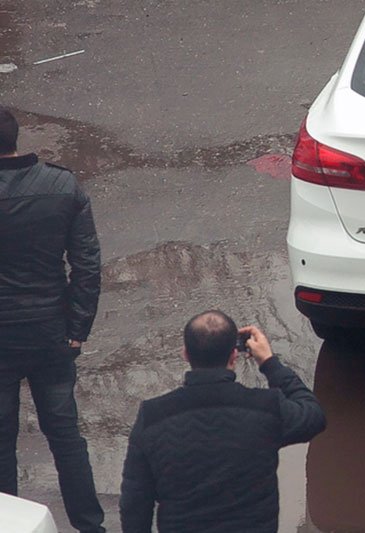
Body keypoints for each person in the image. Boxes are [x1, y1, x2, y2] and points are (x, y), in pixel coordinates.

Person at [120, 310, 326, 532]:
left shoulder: (152, 416)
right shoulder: (266, 408)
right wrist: (269, 362)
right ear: (234, 355)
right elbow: (313, 416)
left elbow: (135, 503)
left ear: (186, 354)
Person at [0, 107, 105, 532]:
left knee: (1, 445)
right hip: (52, 335)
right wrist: (77, 330)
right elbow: (87, 266)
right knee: (65, 437)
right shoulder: (63, 186)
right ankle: (89, 525)